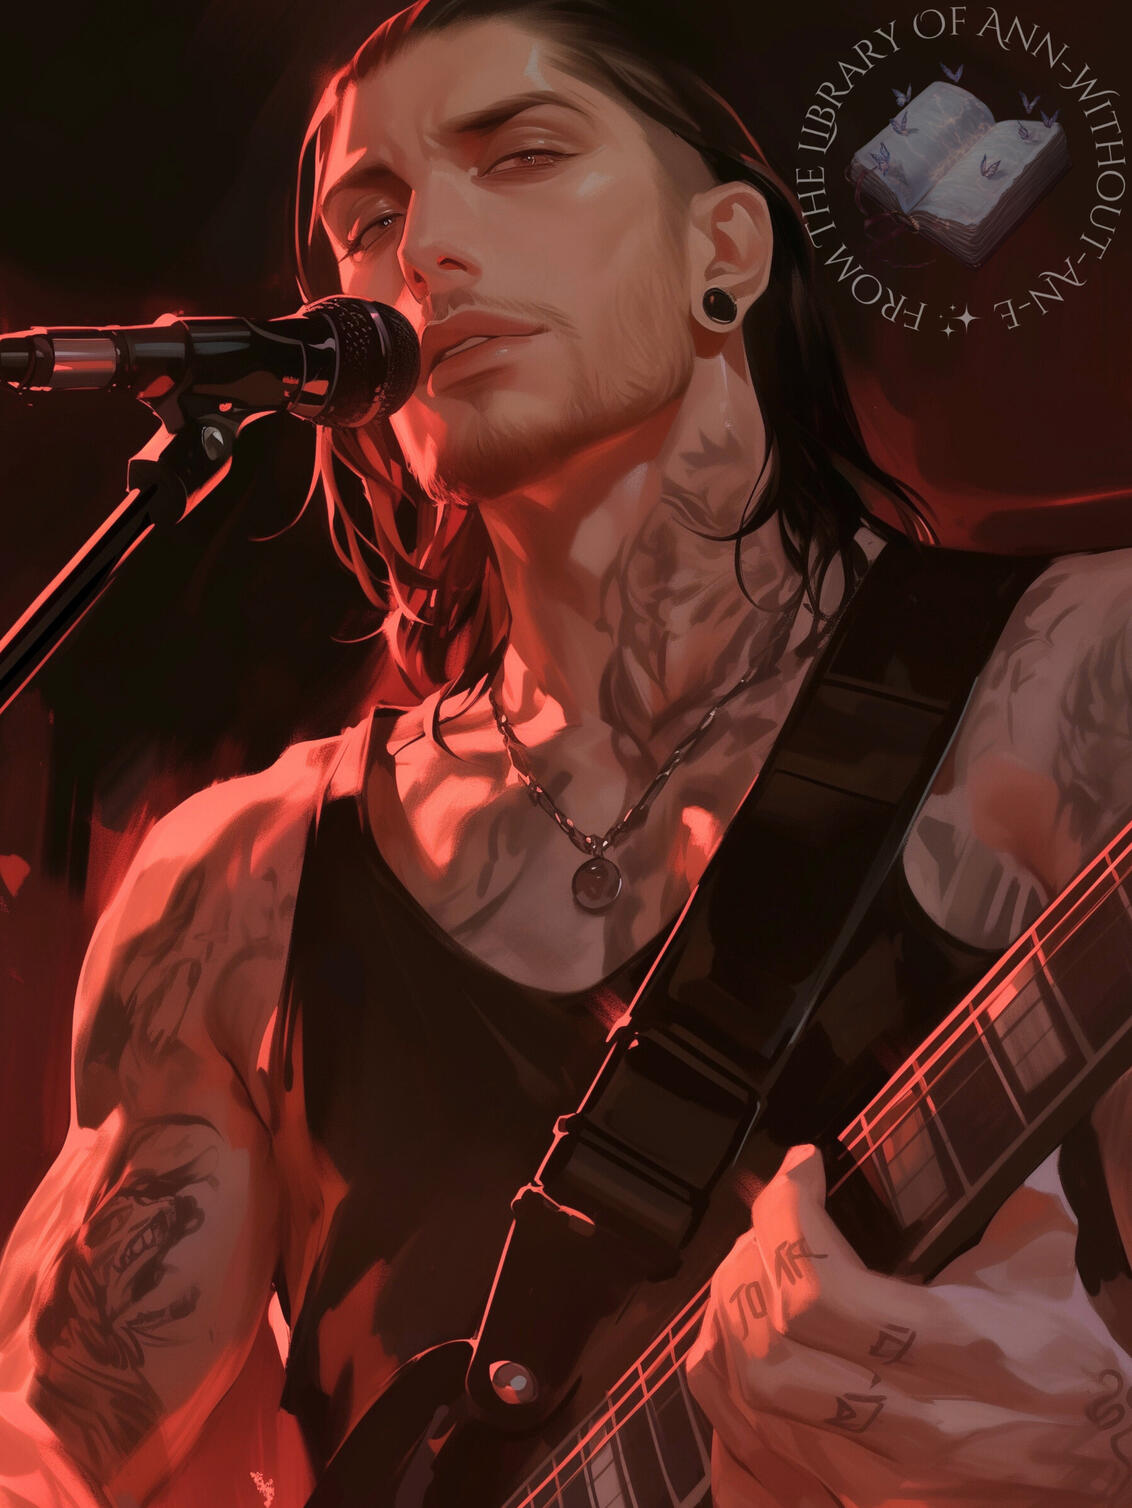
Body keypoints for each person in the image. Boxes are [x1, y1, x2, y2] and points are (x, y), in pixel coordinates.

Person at [1, 1, 1130, 1503]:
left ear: (727, 248)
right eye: (367, 220)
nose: (420, 249)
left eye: (521, 155)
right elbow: (52, 1449)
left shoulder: (1080, 683)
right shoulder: (241, 886)